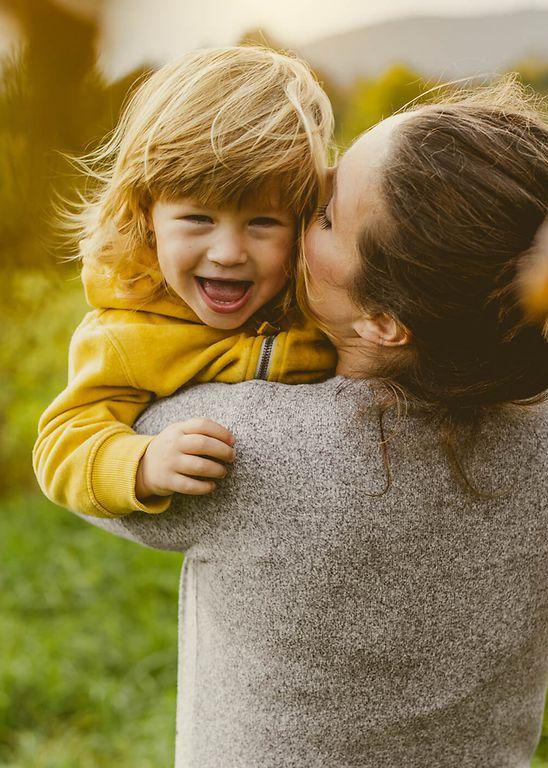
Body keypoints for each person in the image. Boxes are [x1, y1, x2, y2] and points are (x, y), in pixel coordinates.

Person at [51, 77, 548, 766]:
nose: (301, 216)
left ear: (385, 322)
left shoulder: (238, 447)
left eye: (322, 214)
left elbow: (85, 455)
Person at [32, 45, 336, 520]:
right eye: (198, 218)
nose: (229, 253)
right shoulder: (127, 334)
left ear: (301, 222)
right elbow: (61, 443)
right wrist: (142, 464)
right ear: (145, 215)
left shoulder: (319, 292)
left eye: (263, 223)